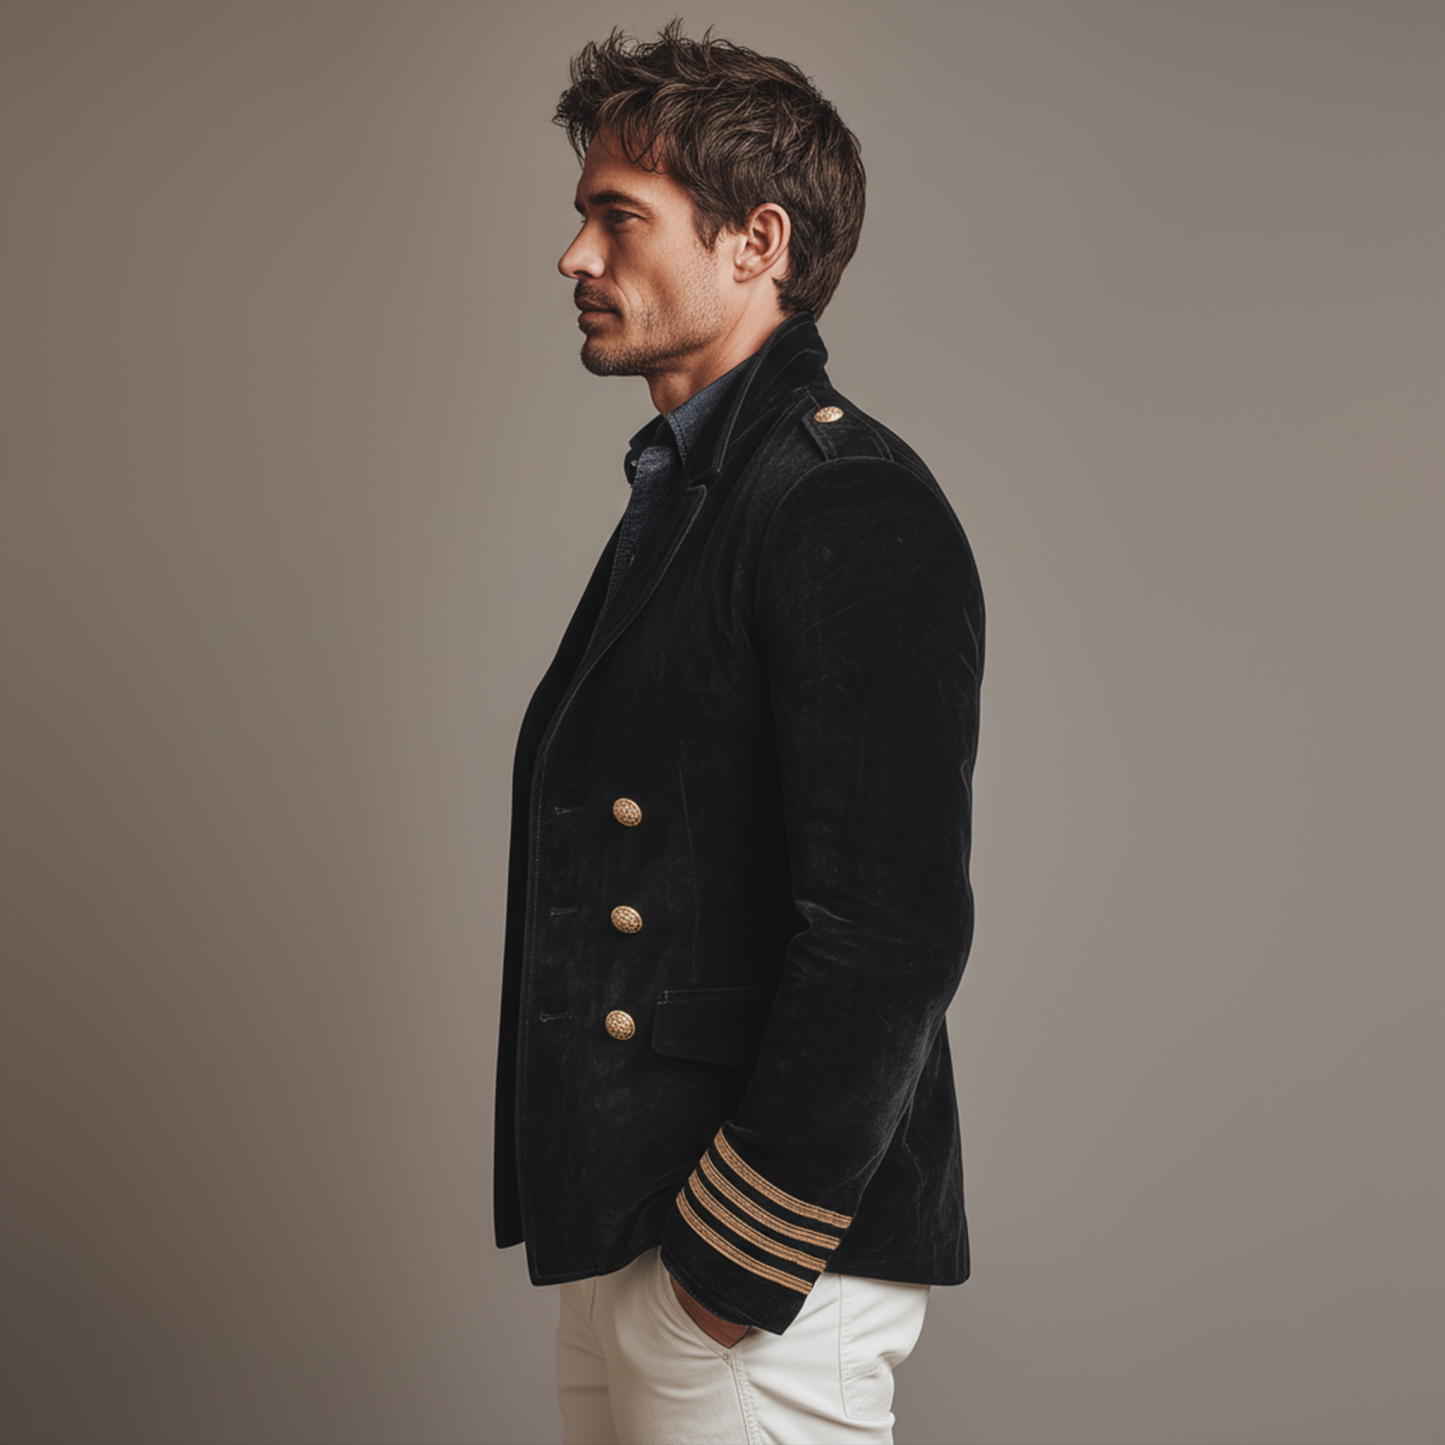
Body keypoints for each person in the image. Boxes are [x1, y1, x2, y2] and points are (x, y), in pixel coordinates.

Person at [493, 24, 985, 1444]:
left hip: (754, 1269)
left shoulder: (838, 498)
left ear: (756, 241)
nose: (575, 257)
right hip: (637, 1232)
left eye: (619, 218)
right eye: (583, 216)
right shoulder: (700, 491)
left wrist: (725, 1271)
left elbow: (890, 931)